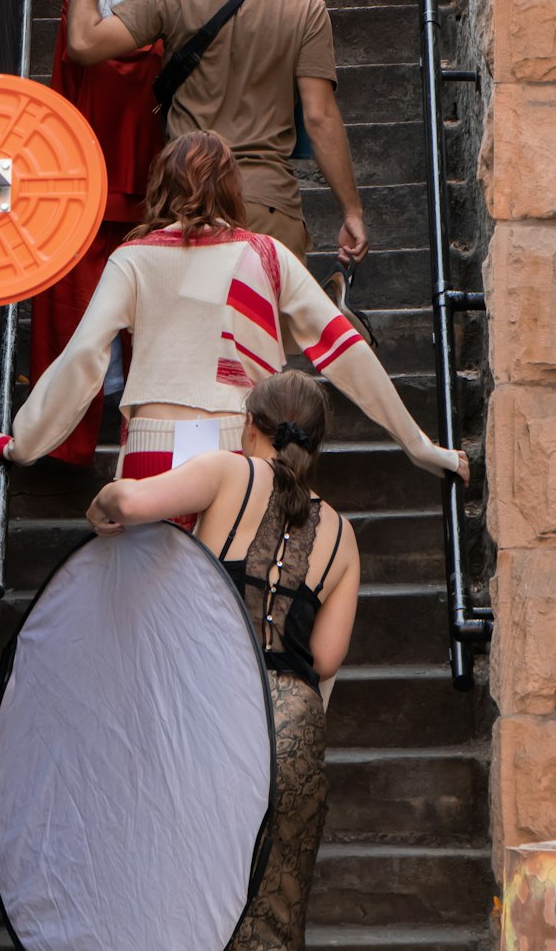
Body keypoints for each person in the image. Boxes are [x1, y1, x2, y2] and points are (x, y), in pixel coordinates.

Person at [0, 132, 468, 489]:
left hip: (152, 447)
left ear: (162, 186)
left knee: (155, 619)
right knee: (235, 609)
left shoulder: (131, 259)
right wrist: (420, 446)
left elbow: (84, 355)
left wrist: (22, 443)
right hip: (244, 445)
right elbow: (345, 351)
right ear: (234, 188)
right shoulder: (268, 254)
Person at [84, 369, 358, 951]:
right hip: (294, 724)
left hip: (211, 706)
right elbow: (327, 659)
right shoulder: (343, 534)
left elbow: (131, 499)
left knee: (188, 891)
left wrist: (103, 503)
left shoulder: (226, 471)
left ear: (250, 426)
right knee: (274, 904)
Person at [63, 0, 367, 266]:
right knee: (264, 326)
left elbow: (84, 44)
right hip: (268, 207)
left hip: (188, 204)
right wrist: (351, 213)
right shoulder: (306, 11)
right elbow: (319, 116)